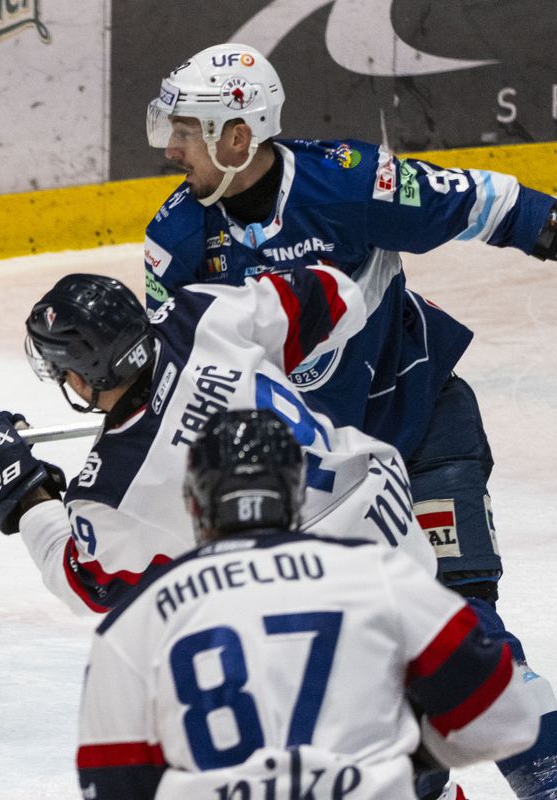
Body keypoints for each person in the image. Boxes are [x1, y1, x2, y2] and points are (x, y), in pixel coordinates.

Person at [140, 42, 557, 797]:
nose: (171, 148)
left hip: (421, 424)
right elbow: (176, 381)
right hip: (319, 483)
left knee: (465, 635)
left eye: (188, 131)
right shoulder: (176, 241)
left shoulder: (349, 181)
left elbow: (485, 202)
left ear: (239, 136)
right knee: (369, 668)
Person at [75, 408, 542, 800]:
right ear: (297, 492)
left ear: (194, 504)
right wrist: (405, 756)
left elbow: (112, 783)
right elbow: (507, 718)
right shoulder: (379, 575)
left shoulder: (135, 620)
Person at [0, 267, 434, 615]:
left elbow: (86, 587)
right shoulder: (201, 312)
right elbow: (337, 296)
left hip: (318, 597)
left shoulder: (114, 490)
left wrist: (23, 491)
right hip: (392, 521)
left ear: (82, 379)